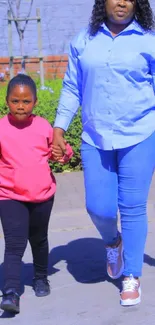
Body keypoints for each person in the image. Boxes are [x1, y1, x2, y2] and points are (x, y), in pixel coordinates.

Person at [52, 0, 155, 306]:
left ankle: (131, 275)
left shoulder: (149, 40)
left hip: (139, 134)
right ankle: (114, 241)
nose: (122, 2)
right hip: (95, 136)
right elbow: (72, 86)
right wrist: (59, 127)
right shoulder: (83, 41)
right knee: (99, 208)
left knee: (133, 207)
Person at [0, 74, 73, 314]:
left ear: (35, 102)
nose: (20, 106)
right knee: (14, 243)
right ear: (6, 101)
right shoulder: (1, 128)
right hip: (9, 196)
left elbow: (60, 152)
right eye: (15, 101)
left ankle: (41, 277)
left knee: (39, 239)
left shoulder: (43, 126)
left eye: (26, 101)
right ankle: (11, 292)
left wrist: (62, 153)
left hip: (42, 196)